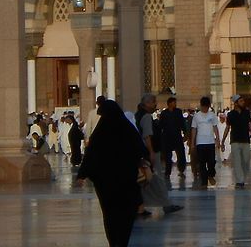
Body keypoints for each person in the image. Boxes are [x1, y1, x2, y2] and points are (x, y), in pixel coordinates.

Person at [75, 99, 151, 247]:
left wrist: (82, 175)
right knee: (126, 212)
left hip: (106, 183)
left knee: (110, 213)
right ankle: (122, 242)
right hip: (126, 180)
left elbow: (91, 154)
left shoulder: (100, 132)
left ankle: (113, 241)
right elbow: (141, 150)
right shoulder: (127, 129)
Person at [136, 92, 182, 216]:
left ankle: (141, 205)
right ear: (147, 103)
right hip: (150, 153)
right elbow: (147, 136)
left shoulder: (139, 115)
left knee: (146, 180)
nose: (155, 104)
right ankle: (166, 204)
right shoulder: (146, 117)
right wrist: (151, 152)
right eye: (153, 102)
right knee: (157, 178)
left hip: (143, 153)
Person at [188, 96, 220, 188]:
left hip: (210, 141)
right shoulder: (197, 116)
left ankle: (211, 174)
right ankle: (204, 182)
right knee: (201, 163)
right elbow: (194, 129)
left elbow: (215, 127)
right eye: (204, 107)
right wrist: (193, 143)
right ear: (201, 106)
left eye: (207, 107)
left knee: (211, 161)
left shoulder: (212, 115)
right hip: (200, 142)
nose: (205, 108)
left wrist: (217, 139)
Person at [223, 94, 251, 188]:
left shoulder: (246, 113)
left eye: (243, 101)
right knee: (237, 161)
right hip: (235, 140)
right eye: (241, 101)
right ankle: (239, 181)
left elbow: (250, 126)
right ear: (236, 103)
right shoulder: (230, 114)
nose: (243, 102)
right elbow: (227, 128)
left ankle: (242, 178)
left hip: (245, 140)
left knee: (246, 161)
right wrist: (222, 141)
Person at [157, 97, 187, 182]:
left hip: (177, 136)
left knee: (180, 153)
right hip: (167, 137)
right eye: (174, 102)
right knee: (168, 155)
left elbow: (182, 123)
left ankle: (181, 169)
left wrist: (185, 133)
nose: (175, 104)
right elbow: (161, 125)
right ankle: (168, 171)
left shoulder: (178, 112)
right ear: (169, 103)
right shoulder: (164, 113)